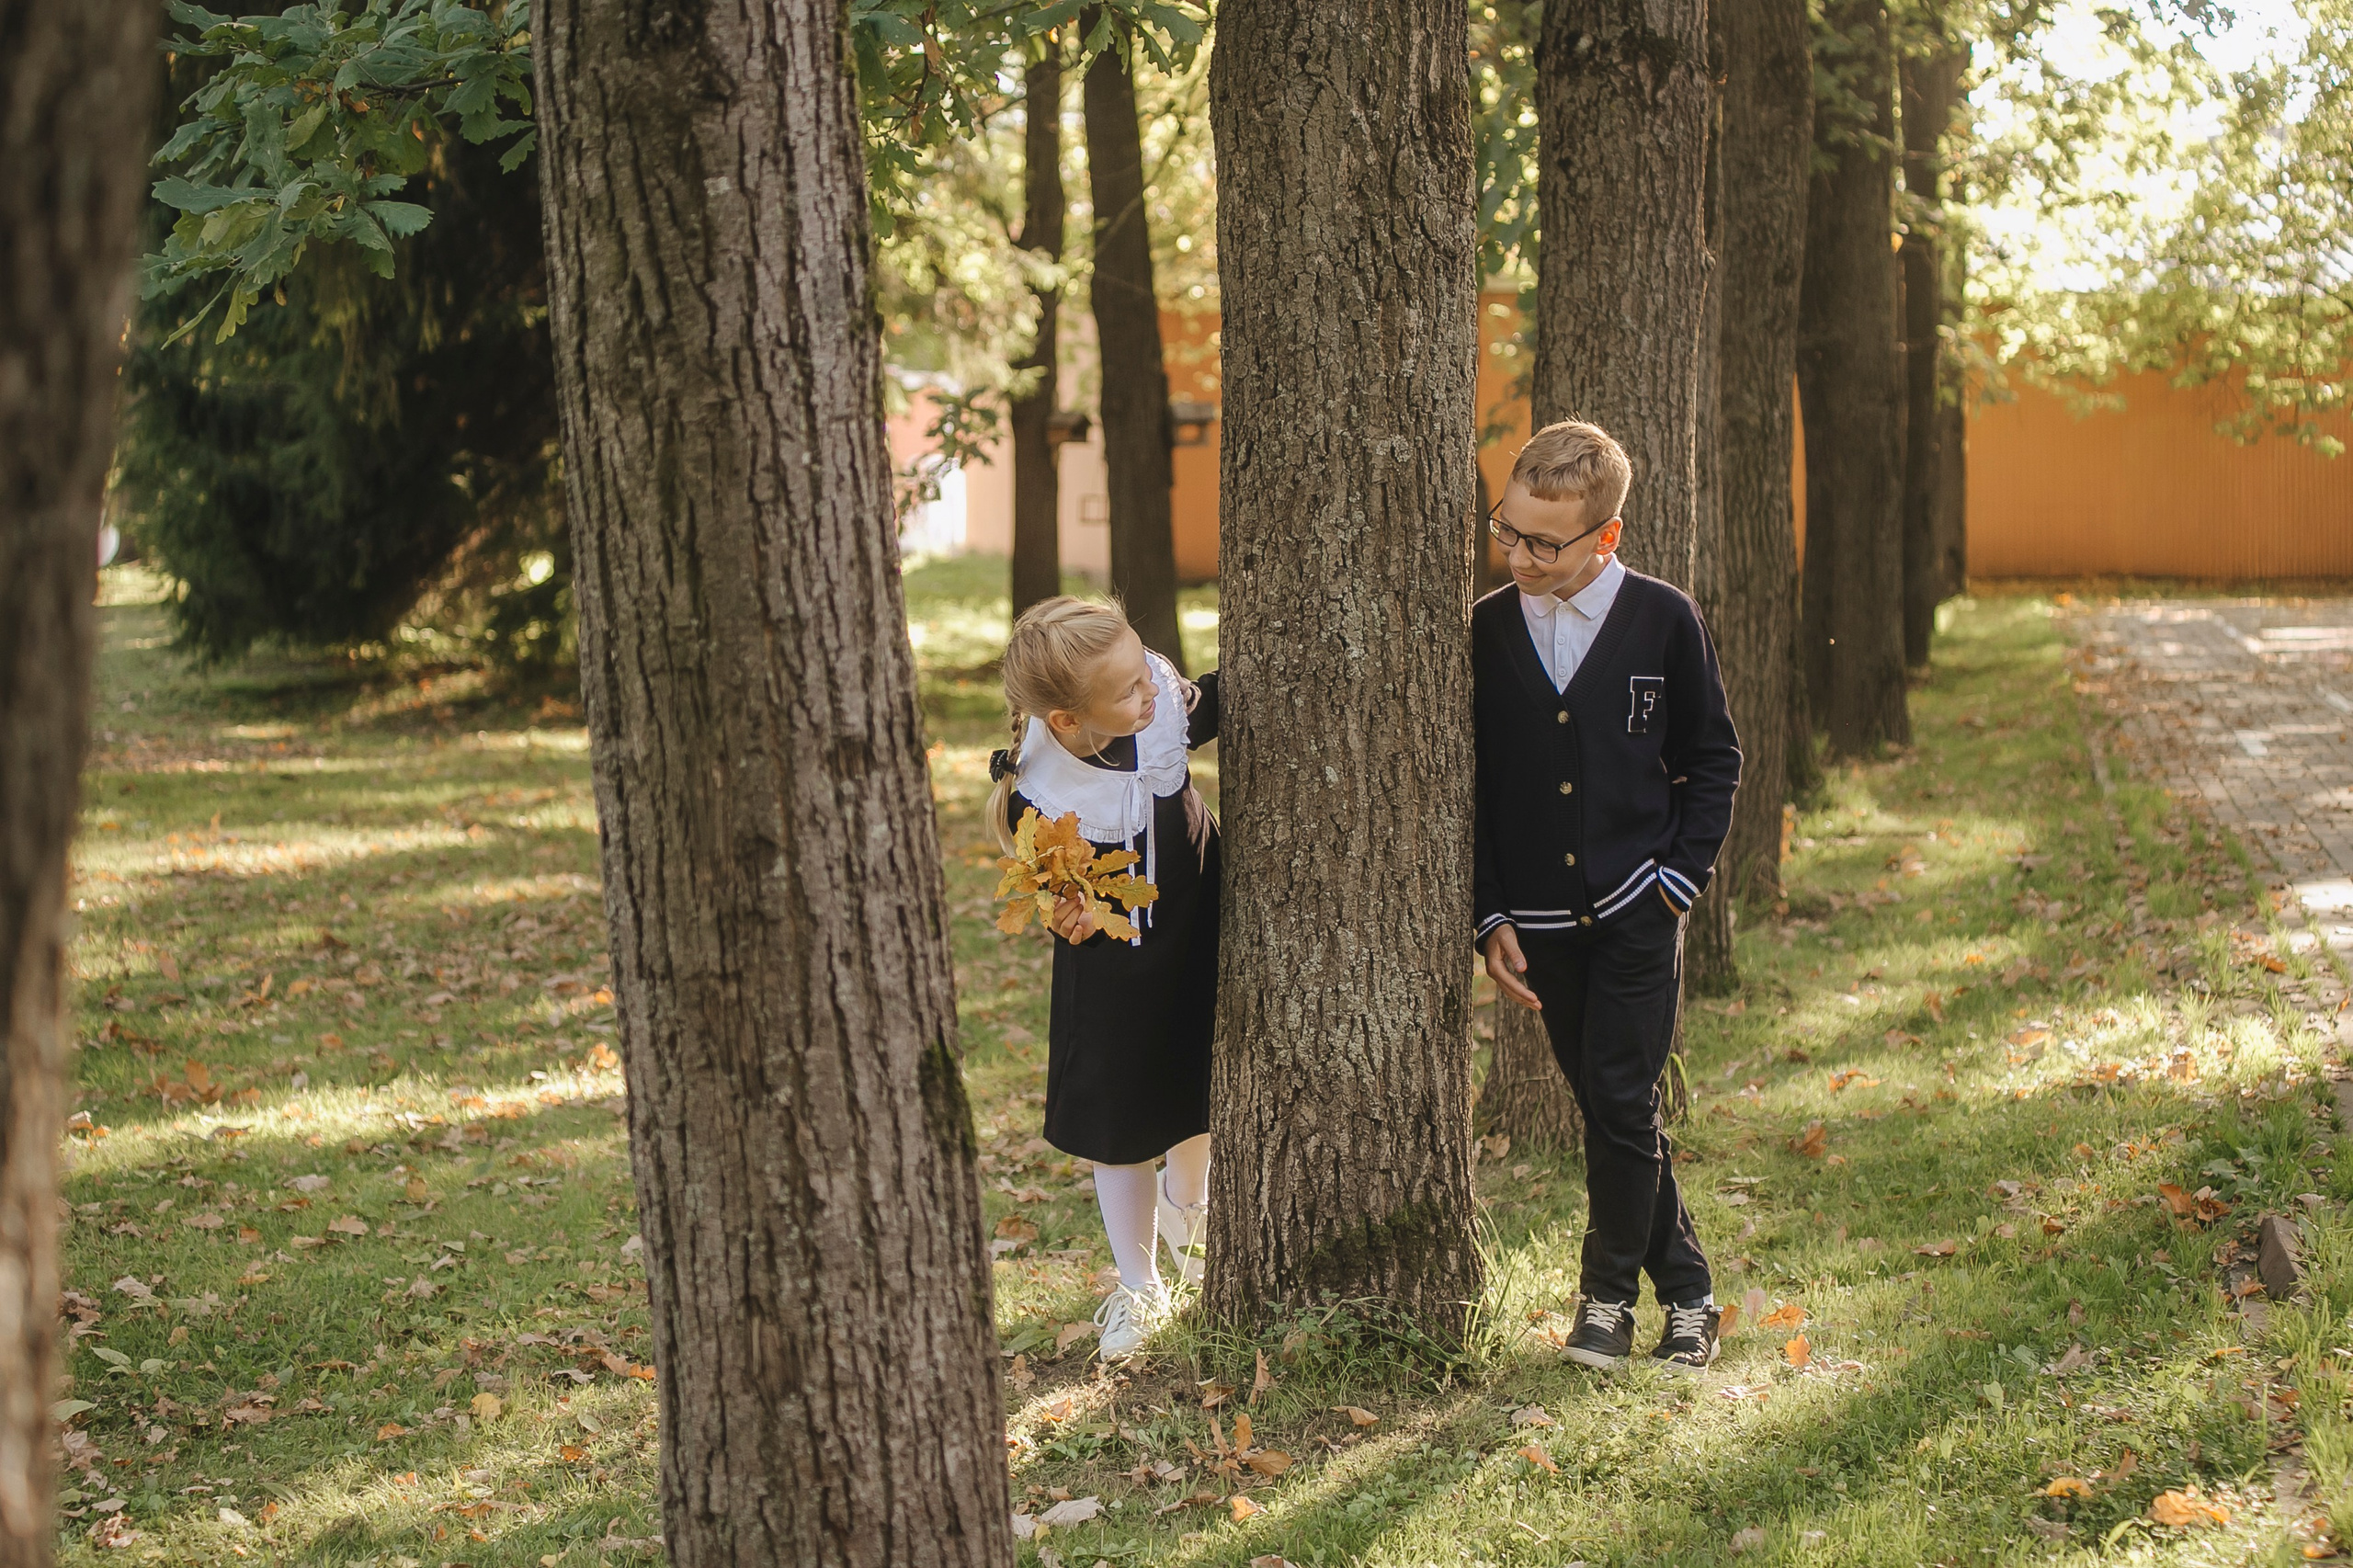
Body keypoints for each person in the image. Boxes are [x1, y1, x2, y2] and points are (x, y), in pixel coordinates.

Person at [1473, 419, 1742, 1372]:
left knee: (1622, 1100)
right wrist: (1490, 914)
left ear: (1606, 537)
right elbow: (1476, 790)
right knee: (1609, 1108)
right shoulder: (1487, 628)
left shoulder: (1663, 619)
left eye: (1546, 541)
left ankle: (1604, 1301)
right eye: (1509, 530)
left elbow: (1712, 759)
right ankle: (1693, 1293)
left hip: (1638, 907)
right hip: (1539, 924)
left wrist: (1677, 881)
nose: (1521, 555)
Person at [987, 597, 1219, 1359]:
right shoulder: (1041, 784)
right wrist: (1065, 908)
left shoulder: (1153, 698)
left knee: (1199, 1090)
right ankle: (1138, 1284)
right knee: (1122, 1123)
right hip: (1113, 970)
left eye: (1142, 669)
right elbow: (1047, 877)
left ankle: (1192, 1220)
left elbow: (1198, 708)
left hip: (1201, 932)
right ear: (1066, 719)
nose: (1150, 693)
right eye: (1126, 693)